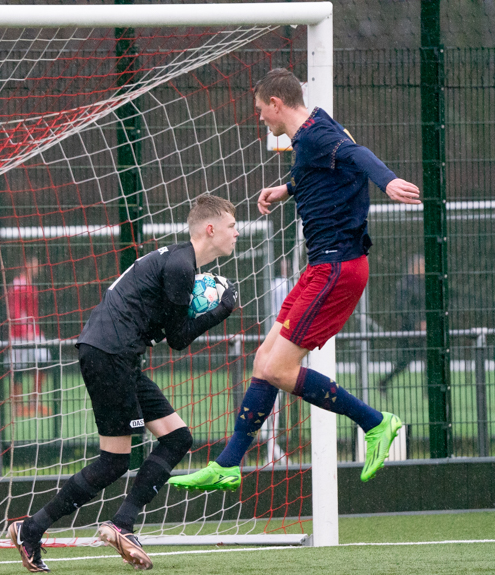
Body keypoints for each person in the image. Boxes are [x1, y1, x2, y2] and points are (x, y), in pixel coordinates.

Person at [169, 68, 422, 492]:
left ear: (276, 104)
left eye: (260, 110)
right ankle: (229, 463)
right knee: (263, 362)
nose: (260, 119)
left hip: (337, 269)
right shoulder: (311, 134)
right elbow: (324, 169)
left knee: (280, 369)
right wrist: (285, 189)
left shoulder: (319, 134)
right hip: (321, 267)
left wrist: (388, 180)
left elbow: (357, 156)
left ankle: (376, 423)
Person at [8, 194, 240, 572]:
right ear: (211, 229)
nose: (237, 232)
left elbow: (169, 328)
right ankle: (36, 529)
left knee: (178, 438)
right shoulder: (181, 266)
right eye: (232, 226)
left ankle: (118, 523)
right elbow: (179, 339)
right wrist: (221, 310)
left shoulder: (180, 263)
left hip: (119, 355)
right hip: (110, 354)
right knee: (114, 461)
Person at [6, 255, 51, 418]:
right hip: (19, 334)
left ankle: (34, 403)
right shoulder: (18, 284)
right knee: (17, 369)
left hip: (34, 333)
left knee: (43, 361)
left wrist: (36, 330)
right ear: (26, 265)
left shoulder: (31, 285)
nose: (37, 268)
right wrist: (25, 330)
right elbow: (15, 311)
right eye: (34, 264)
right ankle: (17, 406)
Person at [378, 254, 426, 398]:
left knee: (430, 359)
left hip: (423, 330)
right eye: (423, 265)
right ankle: (383, 383)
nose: (425, 268)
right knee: (403, 362)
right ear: (415, 266)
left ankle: (429, 391)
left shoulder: (422, 284)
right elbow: (402, 308)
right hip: (408, 330)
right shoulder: (404, 284)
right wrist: (417, 323)